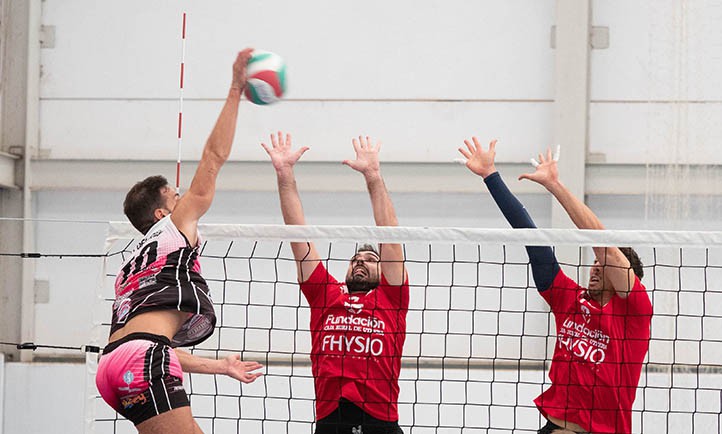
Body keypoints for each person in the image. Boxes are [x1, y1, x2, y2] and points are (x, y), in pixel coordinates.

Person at [95, 49, 263, 434]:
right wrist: (236, 89)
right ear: (160, 214)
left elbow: (145, 336)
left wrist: (220, 366)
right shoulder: (174, 227)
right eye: (175, 197)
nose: (183, 200)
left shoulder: (129, 268)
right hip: (142, 359)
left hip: (113, 364)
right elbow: (214, 157)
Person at [458, 138, 652, 434]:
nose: (597, 266)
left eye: (606, 265)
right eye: (595, 262)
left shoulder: (634, 313)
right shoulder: (569, 299)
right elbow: (530, 236)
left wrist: (555, 185)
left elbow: (604, 246)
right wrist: (490, 176)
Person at [263, 132, 408, 434]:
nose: (360, 261)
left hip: (380, 420)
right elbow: (298, 235)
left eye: (370, 258)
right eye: (356, 258)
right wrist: (284, 175)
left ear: (383, 271)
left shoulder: (392, 298)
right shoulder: (325, 294)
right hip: (332, 420)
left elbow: (390, 236)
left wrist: (373, 177)